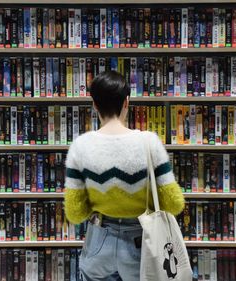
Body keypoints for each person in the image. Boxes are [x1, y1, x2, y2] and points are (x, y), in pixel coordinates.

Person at [64, 71, 185, 280]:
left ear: (94, 104)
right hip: (141, 243)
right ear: (126, 102)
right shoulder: (149, 142)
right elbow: (174, 204)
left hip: (98, 242)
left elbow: (75, 213)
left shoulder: (80, 146)